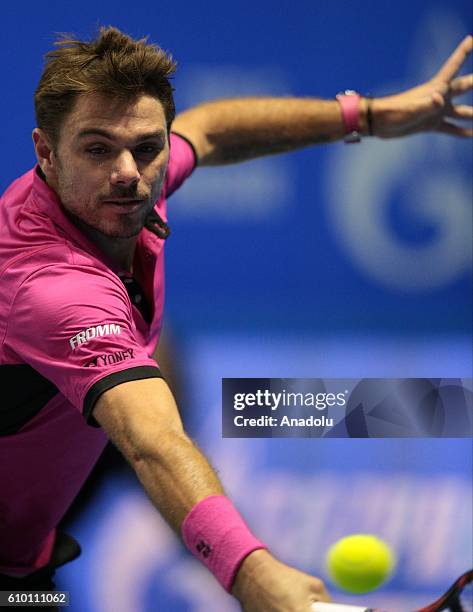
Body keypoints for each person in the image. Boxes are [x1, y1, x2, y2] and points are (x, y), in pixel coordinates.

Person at [0, 25, 471, 612]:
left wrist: (366, 116)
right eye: (97, 148)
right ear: (45, 151)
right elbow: (153, 443)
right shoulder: (53, 287)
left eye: (147, 147)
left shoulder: (116, 189)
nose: (128, 170)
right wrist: (254, 577)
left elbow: (212, 130)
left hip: (23, 570)